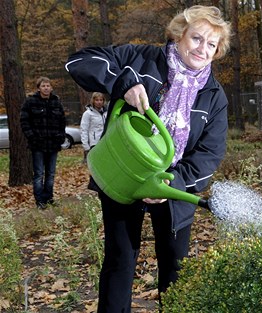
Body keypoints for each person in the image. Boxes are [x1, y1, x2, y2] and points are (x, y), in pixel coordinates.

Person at [65, 5, 231, 312]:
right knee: (120, 259)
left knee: (176, 266)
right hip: (124, 174)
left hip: (173, 186)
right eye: (197, 38)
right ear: (179, 35)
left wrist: (173, 181)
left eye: (211, 44)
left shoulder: (214, 95)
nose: (202, 48)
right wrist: (123, 83)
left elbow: (210, 153)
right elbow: (78, 62)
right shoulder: (140, 59)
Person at [20, 76, 66, 209]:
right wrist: (32, 137)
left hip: (53, 144)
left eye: (48, 86)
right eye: (43, 86)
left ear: (51, 88)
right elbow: (24, 121)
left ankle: (49, 198)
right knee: (39, 174)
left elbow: (62, 121)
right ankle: (40, 201)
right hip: (38, 145)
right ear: (39, 88)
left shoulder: (56, 102)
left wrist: (60, 136)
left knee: (50, 174)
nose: (46, 88)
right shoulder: (30, 102)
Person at [80, 92, 107, 163]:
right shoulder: (88, 114)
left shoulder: (106, 113)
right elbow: (84, 130)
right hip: (94, 143)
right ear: (93, 101)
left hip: (105, 142)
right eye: (97, 100)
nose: (99, 102)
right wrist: (86, 146)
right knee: (96, 163)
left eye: (101, 100)